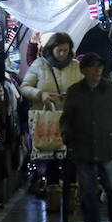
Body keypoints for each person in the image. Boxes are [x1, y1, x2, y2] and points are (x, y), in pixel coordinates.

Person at [61, 53, 112, 222]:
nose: (96, 72)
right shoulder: (75, 92)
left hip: (108, 146)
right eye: (92, 68)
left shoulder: (111, 89)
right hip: (83, 147)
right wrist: (68, 138)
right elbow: (66, 119)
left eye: (99, 67)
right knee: (88, 191)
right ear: (83, 70)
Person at [21, 32, 84, 210]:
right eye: (59, 50)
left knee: (70, 158)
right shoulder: (40, 65)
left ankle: (70, 197)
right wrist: (41, 95)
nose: (63, 54)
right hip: (47, 119)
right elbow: (25, 87)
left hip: (70, 120)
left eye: (66, 50)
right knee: (51, 157)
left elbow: (84, 89)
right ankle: (53, 197)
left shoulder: (76, 67)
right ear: (51, 49)